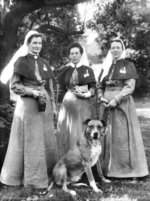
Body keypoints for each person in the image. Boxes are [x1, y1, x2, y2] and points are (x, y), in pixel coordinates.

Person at [0, 30, 58, 189]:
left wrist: (53, 105)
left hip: (44, 106)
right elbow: (15, 86)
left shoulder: (45, 63)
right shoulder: (21, 61)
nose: (37, 46)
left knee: (44, 140)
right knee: (30, 141)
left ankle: (47, 175)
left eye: (39, 43)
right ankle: (28, 178)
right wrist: (32, 92)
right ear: (28, 44)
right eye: (34, 43)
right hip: (28, 105)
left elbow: (51, 87)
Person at [97, 37, 149, 179]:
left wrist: (116, 99)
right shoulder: (106, 66)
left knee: (122, 136)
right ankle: (107, 169)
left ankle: (126, 170)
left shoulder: (128, 65)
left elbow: (129, 87)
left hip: (122, 105)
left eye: (117, 47)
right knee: (107, 135)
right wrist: (101, 96)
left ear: (122, 49)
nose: (115, 50)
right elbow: (99, 85)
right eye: (112, 47)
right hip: (106, 106)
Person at [56, 42, 96, 158]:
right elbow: (61, 89)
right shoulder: (65, 70)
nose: (74, 56)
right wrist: (59, 106)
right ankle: (68, 160)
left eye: (76, 53)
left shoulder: (87, 70)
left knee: (81, 131)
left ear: (81, 54)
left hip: (83, 102)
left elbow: (93, 87)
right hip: (68, 104)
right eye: (71, 53)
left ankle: (83, 161)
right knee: (67, 132)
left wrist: (86, 93)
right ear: (69, 56)